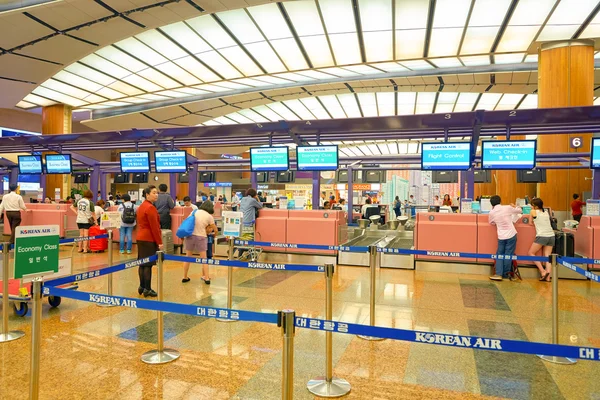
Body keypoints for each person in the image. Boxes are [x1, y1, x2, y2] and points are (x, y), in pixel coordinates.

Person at [136, 186, 163, 297]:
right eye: (154, 193)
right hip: (148, 239)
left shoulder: (141, 206)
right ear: (147, 195)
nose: (156, 195)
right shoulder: (150, 208)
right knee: (148, 265)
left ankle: (142, 286)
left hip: (140, 237)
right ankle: (148, 288)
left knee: (142, 264)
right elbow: (155, 227)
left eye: (157, 193)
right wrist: (160, 242)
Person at [182, 201, 217, 284]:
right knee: (204, 258)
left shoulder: (194, 212)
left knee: (188, 257)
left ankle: (184, 276)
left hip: (190, 236)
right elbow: (215, 229)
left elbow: (187, 222)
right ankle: (207, 278)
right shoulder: (209, 216)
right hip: (201, 237)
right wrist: (214, 235)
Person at [488, 195, 522, 281]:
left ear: (491, 204)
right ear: (500, 201)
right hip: (511, 234)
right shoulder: (507, 208)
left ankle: (498, 274)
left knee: (499, 255)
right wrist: (515, 206)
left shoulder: (491, 212)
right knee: (508, 255)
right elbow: (520, 210)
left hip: (501, 236)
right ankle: (507, 274)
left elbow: (491, 222)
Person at [528, 198, 555, 282]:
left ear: (535, 206)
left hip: (542, 235)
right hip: (551, 235)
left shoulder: (533, 212)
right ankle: (548, 277)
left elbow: (530, 222)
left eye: (532, 205)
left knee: (531, 253)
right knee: (547, 256)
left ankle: (543, 271)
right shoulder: (546, 212)